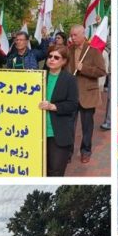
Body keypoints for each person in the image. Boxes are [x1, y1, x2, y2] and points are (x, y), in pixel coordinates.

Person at [67, 25, 107, 164]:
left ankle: (85, 151)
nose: (72, 38)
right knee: (69, 126)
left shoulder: (93, 51)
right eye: (71, 35)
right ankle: (68, 152)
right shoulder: (68, 50)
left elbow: (101, 71)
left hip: (88, 95)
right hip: (71, 95)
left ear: (83, 34)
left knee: (87, 127)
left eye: (75, 35)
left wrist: (84, 68)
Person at [38, 45, 79, 176]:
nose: (52, 59)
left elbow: (73, 105)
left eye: (56, 57)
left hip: (58, 133)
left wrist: (53, 107)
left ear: (64, 61)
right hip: (38, 132)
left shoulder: (69, 80)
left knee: (55, 171)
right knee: (39, 170)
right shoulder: (38, 77)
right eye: (50, 56)